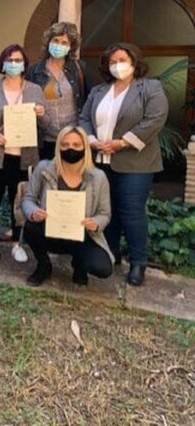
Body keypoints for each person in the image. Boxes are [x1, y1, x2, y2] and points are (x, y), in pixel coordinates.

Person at [79, 43, 168, 286]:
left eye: (122, 59)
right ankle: (111, 254)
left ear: (134, 62)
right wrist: (92, 140)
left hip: (136, 162)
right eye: (112, 61)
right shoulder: (99, 90)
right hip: (101, 160)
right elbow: (84, 118)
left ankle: (139, 262)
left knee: (131, 211)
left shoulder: (150, 87)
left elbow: (155, 118)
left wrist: (122, 143)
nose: (117, 65)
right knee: (108, 211)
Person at [0, 44, 48, 264]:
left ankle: (17, 243)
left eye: (17, 60)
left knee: (20, 199)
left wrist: (42, 114)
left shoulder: (34, 90)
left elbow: (47, 123)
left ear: (24, 64)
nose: (13, 64)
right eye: (9, 60)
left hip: (24, 157)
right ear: (3, 63)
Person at [21, 126, 113, 286]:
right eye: (65, 145)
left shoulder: (98, 177)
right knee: (30, 227)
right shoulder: (44, 168)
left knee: (103, 268)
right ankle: (44, 265)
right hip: (50, 230)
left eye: (76, 145)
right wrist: (34, 212)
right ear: (58, 147)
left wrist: (96, 223)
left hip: (82, 235)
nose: (70, 149)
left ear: (85, 147)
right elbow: (28, 199)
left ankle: (79, 266)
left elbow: (105, 213)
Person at [25, 22, 89, 160]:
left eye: (64, 43)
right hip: (44, 139)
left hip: (73, 137)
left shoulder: (79, 69)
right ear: (48, 42)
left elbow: (88, 100)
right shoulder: (34, 71)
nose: (59, 45)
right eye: (55, 40)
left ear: (71, 47)